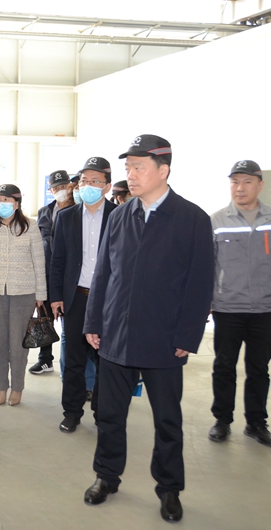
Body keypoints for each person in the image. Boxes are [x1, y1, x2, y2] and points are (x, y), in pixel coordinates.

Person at [82, 135, 214, 523]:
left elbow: (200, 285)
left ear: (163, 170)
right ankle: (107, 476)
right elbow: (103, 273)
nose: (131, 175)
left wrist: (187, 336)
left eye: (138, 167)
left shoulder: (192, 219)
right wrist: (93, 321)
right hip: (115, 335)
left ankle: (169, 488)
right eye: (128, 168)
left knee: (167, 421)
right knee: (109, 415)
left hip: (164, 339)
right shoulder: (121, 216)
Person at [50, 157, 116, 433]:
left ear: (107, 186)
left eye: (95, 181)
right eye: (84, 181)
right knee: (73, 359)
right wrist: (56, 296)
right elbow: (57, 261)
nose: (88, 186)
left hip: (108, 301)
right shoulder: (66, 217)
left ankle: (103, 412)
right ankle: (72, 412)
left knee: (106, 361)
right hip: (76, 297)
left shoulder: (119, 216)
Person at [209, 159, 271, 446]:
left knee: (258, 369)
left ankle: (256, 422)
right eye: (235, 182)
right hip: (228, 308)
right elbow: (208, 265)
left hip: (265, 309)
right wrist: (207, 302)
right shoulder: (217, 221)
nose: (240, 188)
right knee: (224, 366)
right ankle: (222, 420)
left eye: (247, 182)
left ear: (260, 184)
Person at [0, 184, 46, 406]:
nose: (1, 204)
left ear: (16, 204)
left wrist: (41, 294)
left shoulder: (30, 226)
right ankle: (1, 386)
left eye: (6, 200)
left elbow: (39, 261)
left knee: (18, 344)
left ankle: (17, 387)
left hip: (23, 293)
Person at [30, 169, 74, 375]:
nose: (59, 191)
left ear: (70, 186)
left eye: (63, 186)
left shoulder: (78, 210)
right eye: (55, 188)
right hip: (48, 273)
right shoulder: (44, 211)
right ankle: (45, 359)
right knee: (45, 319)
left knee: (69, 323)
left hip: (70, 276)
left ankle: (72, 365)